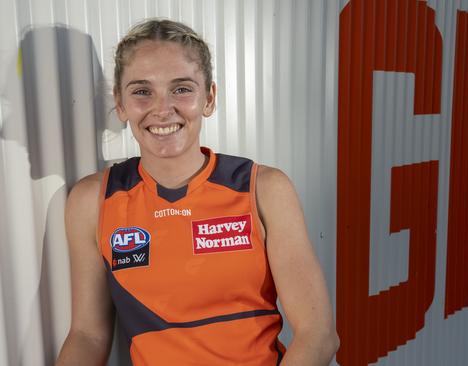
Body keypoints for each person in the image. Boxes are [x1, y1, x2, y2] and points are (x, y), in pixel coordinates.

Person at [56, 19, 338, 365]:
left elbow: (319, 335)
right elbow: (88, 335)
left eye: (181, 89)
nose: (162, 109)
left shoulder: (263, 189)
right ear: (120, 103)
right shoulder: (93, 201)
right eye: (142, 91)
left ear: (209, 98)